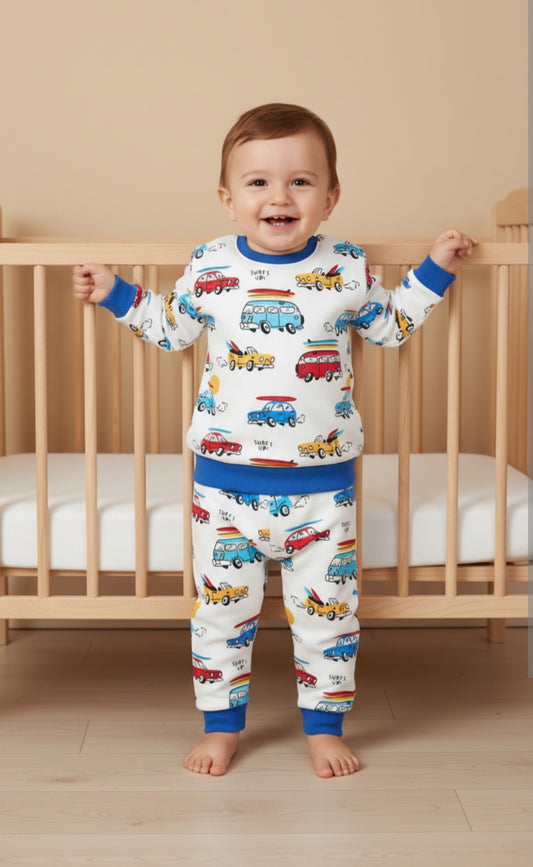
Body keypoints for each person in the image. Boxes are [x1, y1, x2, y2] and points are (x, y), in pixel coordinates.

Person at [73, 103, 477, 778]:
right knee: (220, 614)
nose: (279, 197)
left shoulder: (347, 267)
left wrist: (435, 266)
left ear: (329, 197)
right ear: (229, 200)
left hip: (322, 487)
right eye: (258, 183)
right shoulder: (208, 264)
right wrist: (117, 293)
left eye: (299, 181)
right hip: (223, 487)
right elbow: (171, 329)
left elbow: (390, 327)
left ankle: (323, 726)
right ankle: (221, 726)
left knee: (328, 616)